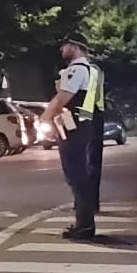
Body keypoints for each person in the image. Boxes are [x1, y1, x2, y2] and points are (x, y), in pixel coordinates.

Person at [42, 36, 106, 238]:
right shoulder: (90, 71)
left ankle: (85, 225)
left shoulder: (76, 70)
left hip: (74, 128)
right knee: (80, 176)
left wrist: (45, 117)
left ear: (76, 47)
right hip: (81, 125)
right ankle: (84, 222)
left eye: (65, 45)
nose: (62, 49)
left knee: (76, 177)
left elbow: (63, 98)